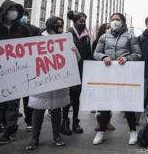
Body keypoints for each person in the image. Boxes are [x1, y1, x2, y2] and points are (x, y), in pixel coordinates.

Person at [26, 16, 80, 150]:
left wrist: (75, 52)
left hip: (58, 82)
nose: (60, 27)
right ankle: (34, 138)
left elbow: (77, 60)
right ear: (50, 25)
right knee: (38, 110)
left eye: (61, 24)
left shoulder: (65, 40)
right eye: (57, 24)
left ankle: (57, 136)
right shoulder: (38, 39)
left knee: (57, 109)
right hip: (41, 82)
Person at [0, 0, 31, 145]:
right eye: (11, 10)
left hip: (16, 71)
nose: (14, 13)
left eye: (16, 10)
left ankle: (10, 131)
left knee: (12, 103)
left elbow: (31, 46)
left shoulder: (22, 28)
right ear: (4, 11)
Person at [93, 13, 142, 145]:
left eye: (118, 19)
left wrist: (128, 58)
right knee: (105, 104)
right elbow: (96, 53)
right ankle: (101, 132)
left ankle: (133, 132)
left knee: (127, 104)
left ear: (123, 22)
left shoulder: (131, 37)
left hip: (125, 74)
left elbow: (138, 54)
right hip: (108, 74)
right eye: (113, 19)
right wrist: (103, 57)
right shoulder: (104, 36)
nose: (115, 21)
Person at [60, 11, 93, 135]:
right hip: (68, 70)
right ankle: (65, 122)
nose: (83, 23)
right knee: (67, 98)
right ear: (74, 22)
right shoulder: (67, 34)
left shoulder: (87, 37)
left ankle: (75, 122)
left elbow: (88, 54)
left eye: (84, 21)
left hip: (81, 71)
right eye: (80, 22)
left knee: (76, 98)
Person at [20, 9, 41, 132]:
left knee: (28, 96)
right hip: (15, 68)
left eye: (24, 16)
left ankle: (29, 120)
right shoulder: (12, 30)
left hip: (31, 67)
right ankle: (4, 122)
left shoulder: (34, 30)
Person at [91, 23, 115, 132]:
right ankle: (99, 123)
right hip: (100, 74)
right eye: (107, 28)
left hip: (111, 74)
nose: (109, 29)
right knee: (100, 100)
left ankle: (108, 122)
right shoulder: (97, 42)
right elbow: (94, 56)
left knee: (110, 99)